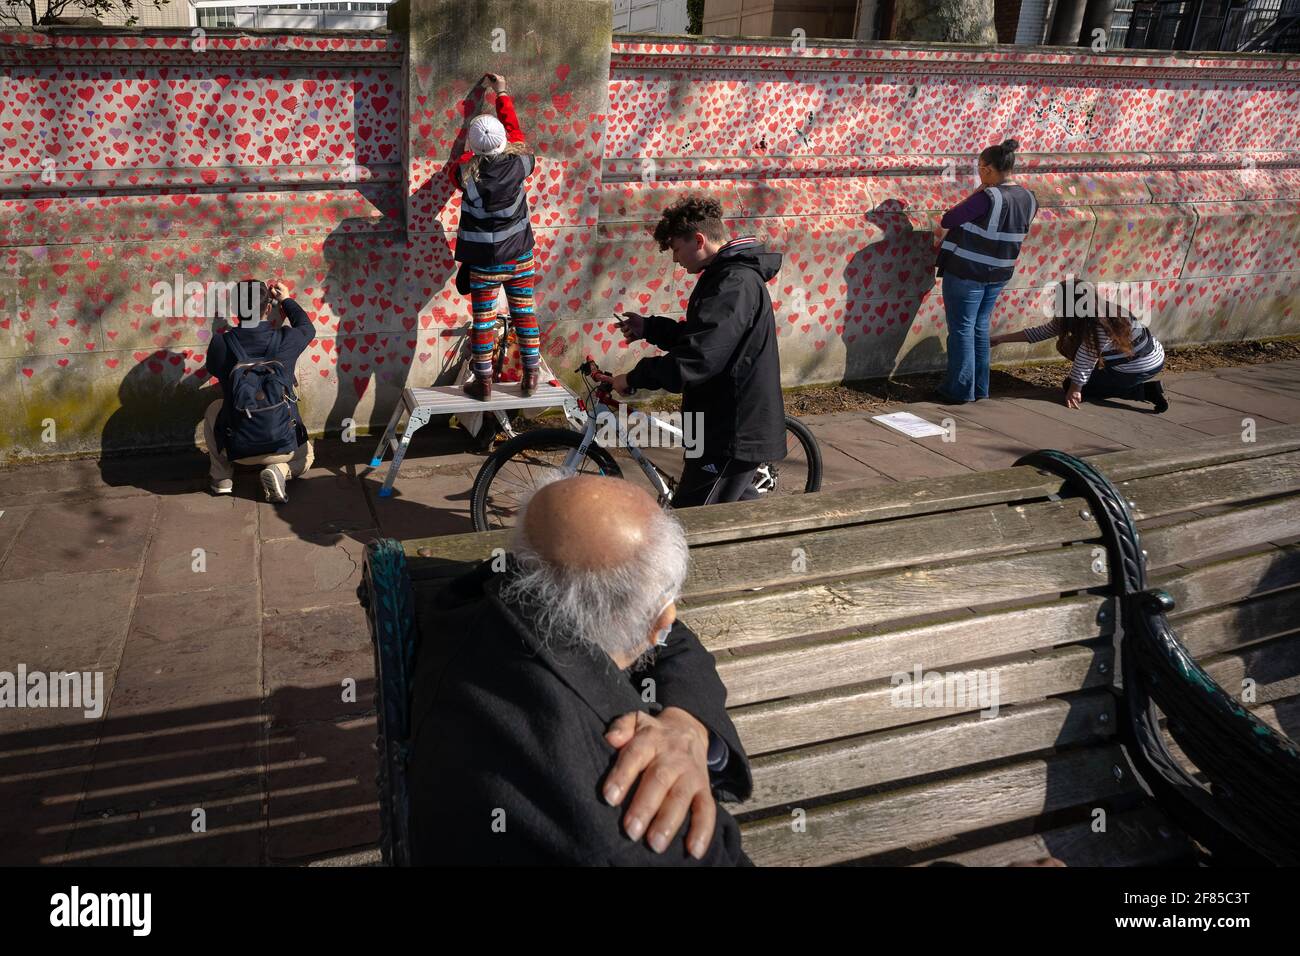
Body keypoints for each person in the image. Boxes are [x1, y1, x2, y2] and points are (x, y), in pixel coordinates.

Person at [406, 473, 753, 865]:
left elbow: (673, 636)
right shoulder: (633, 816)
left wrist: (688, 721)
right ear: (658, 618)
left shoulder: (474, 604)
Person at [602, 195, 787, 508]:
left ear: (699, 240)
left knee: (690, 521)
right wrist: (649, 328)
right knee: (737, 513)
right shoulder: (723, 276)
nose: (675, 259)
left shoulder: (734, 283)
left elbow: (699, 357)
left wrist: (633, 378)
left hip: (731, 432)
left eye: (676, 248)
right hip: (717, 424)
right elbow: (700, 337)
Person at [447, 72, 541, 401]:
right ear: (505, 142)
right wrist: (501, 93)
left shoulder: (465, 173)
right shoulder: (521, 163)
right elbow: (516, 135)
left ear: (473, 148)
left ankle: (483, 381)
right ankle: (530, 376)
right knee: (524, 312)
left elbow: (456, 165)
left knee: (483, 321)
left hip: (484, 264)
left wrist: (467, 139)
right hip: (520, 257)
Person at [934, 138, 1038, 404]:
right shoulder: (1029, 197)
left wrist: (978, 191)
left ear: (989, 169)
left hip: (968, 271)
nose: (979, 173)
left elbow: (949, 218)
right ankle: (980, 388)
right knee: (979, 327)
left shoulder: (988, 197)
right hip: (999, 273)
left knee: (962, 329)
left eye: (980, 168)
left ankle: (959, 390)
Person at [204, 279, 315, 503]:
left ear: (235, 310)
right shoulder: (287, 338)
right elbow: (307, 328)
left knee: (214, 408)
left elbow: (213, 368)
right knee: (308, 456)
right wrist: (285, 300)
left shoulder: (220, 343)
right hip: (285, 447)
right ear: (267, 308)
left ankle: (222, 478)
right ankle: (280, 469)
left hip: (238, 449)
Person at [991, 304, 1169, 412]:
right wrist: (1000, 339)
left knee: (1073, 385)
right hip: (1154, 356)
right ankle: (1117, 381)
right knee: (1065, 343)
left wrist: (1075, 389)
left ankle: (1146, 391)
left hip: (1137, 367)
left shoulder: (1098, 325)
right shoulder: (1102, 308)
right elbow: (1042, 332)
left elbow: (1086, 359)